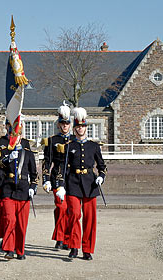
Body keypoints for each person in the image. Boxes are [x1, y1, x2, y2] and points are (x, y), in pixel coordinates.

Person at [63, 107, 107, 260]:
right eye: (78, 126)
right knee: (74, 215)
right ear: (74, 128)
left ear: (86, 128)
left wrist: (101, 176)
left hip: (90, 184)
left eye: (82, 126)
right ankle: (74, 247)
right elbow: (63, 168)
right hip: (73, 183)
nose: (80, 129)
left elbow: (102, 166)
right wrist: (61, 186)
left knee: (90, 218)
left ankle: (87, 249)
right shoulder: (69, 146)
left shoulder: (94, 146)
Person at [0, 123, 38, 260]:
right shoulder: (5, 150)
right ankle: (9, 249)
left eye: (17, 136)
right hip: (8, 189)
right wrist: (8, 158)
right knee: (10, 219)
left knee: (22, 224)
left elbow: (34, 175)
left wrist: (32, 188)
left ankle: (20, 250)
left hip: (23, 189)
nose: (15, 138)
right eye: (12, 135)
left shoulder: (28, 153)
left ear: (21, 136)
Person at [0, 119, 31, 246]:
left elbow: (27, 161)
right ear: (6, 126)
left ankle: (11, 240)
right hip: (2, 181)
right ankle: (6, 237)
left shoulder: (25, 142)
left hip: (19, 183)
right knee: (3, 212)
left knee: (15, 215)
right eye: (9, 125)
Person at [42, 102, 73, 251]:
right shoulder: (52, 140)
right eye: (62, 123)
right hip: (57, 178)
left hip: (72, 180)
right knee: (61, 208)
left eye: (67, 123)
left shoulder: (75, 140)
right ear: (58, 124)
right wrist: (46, 179)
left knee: (71, 211)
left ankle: (67, 238)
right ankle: (60, 238)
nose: (65, 126)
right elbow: (47, 162)